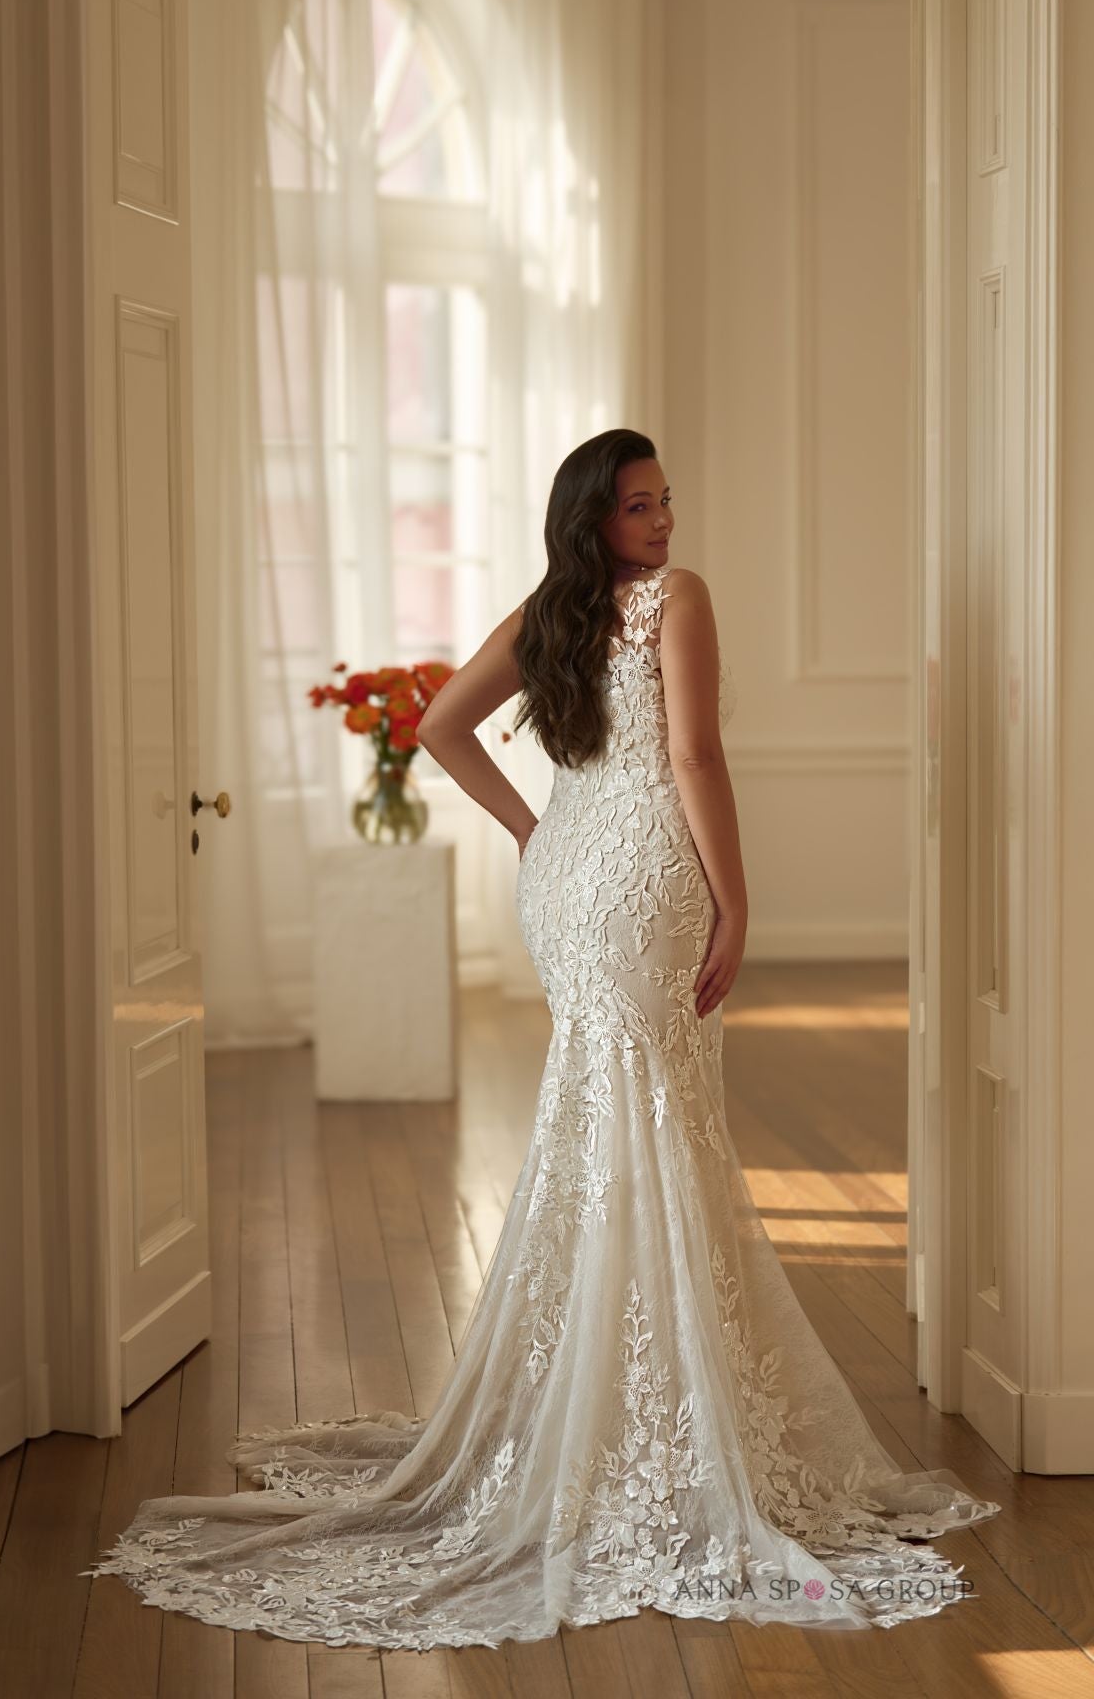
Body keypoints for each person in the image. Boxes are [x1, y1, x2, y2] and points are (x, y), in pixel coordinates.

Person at [81, 427, 1000, 1645]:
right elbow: (694, 754)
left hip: (572, 877)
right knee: (654, 1121)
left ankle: (611, 1399)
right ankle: (645, 1410)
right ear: (595, 518)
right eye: (639, 506)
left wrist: (534, 829)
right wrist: (741, 899)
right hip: (646, 878)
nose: (664, 523)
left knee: (611, 1119)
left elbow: (442, 728)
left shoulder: (550, 611)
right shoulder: (679, 599)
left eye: (669, 500)